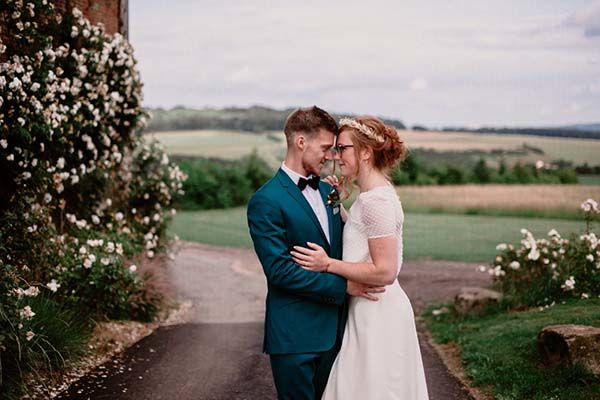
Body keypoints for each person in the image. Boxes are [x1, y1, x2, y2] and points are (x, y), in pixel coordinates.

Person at [247, 106, 385, 400]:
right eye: (325, 148)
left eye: (335, 150)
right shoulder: (265, 201)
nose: (331, 156)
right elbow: (280, 272)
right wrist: (344, 286)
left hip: (339, 333)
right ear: (300, 142)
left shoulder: (328, 192)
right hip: (295, 337)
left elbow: (346, 244)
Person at [291, 116, 429, 400]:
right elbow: (360, 239)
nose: (335, 156)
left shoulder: (375, 201)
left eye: (343, 148)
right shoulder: (370, 196)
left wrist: (327, 264)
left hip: (377, 312)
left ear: (365, 152)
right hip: (367, 308)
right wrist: (338, 205)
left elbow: (385, 271)